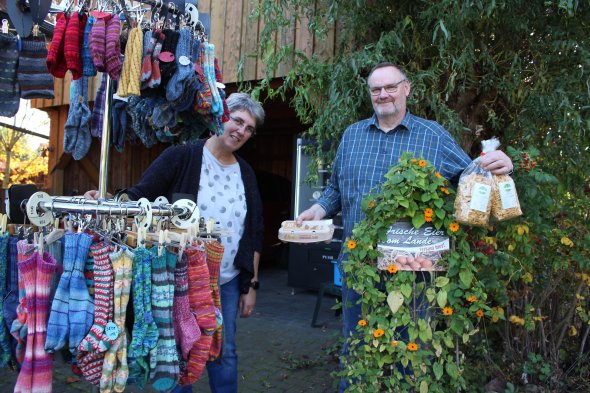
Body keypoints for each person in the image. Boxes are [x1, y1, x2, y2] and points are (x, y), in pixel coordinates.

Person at [296, 62, 513, 391]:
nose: (383, 94)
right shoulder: (351, 135)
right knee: (355, 347)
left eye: (390, 87)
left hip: (414, 269)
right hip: (359, 267)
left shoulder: (432, 135)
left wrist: (499, 166)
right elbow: (335, 191)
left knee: (410, 353)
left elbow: (471, 176)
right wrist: (317, 209)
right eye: (375, 89)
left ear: (407, 89)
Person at [85, 92, 265, 393]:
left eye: (249, 128)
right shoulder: (184, 156)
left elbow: (254, 229)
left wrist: (252, 285)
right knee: (179, 348)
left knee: (224, 351)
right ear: (222, 117)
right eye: (237, 121)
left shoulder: (245, 173)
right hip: (179, 276)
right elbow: (142, 192)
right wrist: (107, 202)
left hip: (226, 281)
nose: (241, 131)